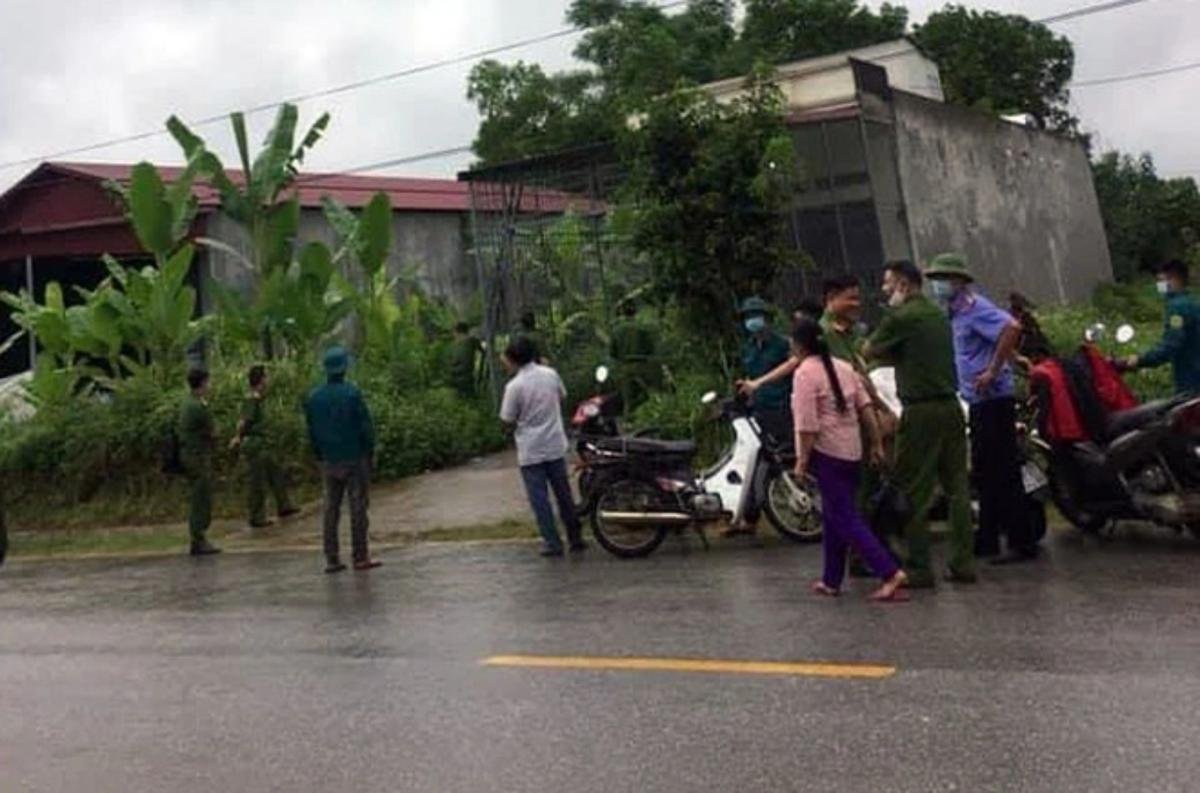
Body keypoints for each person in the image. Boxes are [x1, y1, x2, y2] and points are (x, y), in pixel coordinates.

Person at [863, 260, 975, 589]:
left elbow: (869, 350)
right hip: (951, 406)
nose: (884, 291)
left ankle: (920, 566)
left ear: (903, 285)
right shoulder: (938, 315)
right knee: (957, 488)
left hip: (920, 410)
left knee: (915, 490)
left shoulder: (902, 318)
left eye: (888, 284)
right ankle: (962, 562)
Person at [926, 253, 1038, 564]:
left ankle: (1021, 542)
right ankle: (987, 539)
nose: (937, 285)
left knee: (1002, 472)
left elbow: (1011, 327)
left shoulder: (975, 308)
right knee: (986, 472)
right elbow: (998, 337)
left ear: (959, 281)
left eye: (942, 279)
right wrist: (1012, 359)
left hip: (992, 400)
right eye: (935, 280)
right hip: (979, 401)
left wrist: (994, 368)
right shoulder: (955, 312)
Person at [790, 317, 908, 601]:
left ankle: (889, 571)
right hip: (852, 451)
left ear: (798, 346)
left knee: (845, 517)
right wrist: (877, 443)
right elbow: (866, 408)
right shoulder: (844, 368)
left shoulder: (805, 373)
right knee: (834, 515)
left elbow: (807, 424)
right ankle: (832, 578)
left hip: (826, 453)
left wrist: (801, 460)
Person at [500, 335, 586, 557]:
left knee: (540, 499)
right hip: (555, 444)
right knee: (564, 494)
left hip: (531, 450)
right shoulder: (551, 375)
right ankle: (575, 537)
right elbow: (562, 397)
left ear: (513, 360)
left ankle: (552, 542)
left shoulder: (514, 387)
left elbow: (507, 420)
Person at [305, 345, 381, 574]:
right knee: (358, 508)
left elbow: (311, 431)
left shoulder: (314, 398)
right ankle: (360, 556)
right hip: (354, 458)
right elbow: (365, 428)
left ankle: (331, 557)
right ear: (344, 368)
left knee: (331, 508)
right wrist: (369, 451)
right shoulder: (352, 394)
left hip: (329, 459)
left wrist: (319, 454)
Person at [731, 296, 794, 535]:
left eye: (756, 315)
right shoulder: (748, 347)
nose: (752, 321)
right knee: (752, 462)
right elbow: (748, 377)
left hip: (782, 409)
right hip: (759, 411)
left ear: (767, 318)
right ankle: (749, 516)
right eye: (748, 317)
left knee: (781, 460)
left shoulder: (782, 345)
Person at [230, 365, 299, 529]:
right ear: (261, 379)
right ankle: (257, 516)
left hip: (264, 444)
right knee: (257, 481)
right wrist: (238, 437)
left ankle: (284, 505)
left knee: (276, 472)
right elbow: (243, 422)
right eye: (266, 377)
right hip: (255, 444)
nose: (268, 380)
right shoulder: (251, 399)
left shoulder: (259, 399)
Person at [1120, 259, 1200, 395]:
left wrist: (1140, 360)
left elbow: (1171, 343)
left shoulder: (1177, 309)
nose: (1159, 286)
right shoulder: (1191, 303)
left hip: (1192, 382)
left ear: (1174, 279)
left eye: (1161, 281)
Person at [179, 368, 221, 556]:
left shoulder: (188, 403)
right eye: (208, 382)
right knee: (201, 497)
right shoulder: (198, 407)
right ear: (203, 383)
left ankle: (198, 537)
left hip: (190, 454)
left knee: (199, 495)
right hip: (197, 456)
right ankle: (198, 537)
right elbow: (213, 432)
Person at [609, 299, 660, 412]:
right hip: (643, 366)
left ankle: (629, 422)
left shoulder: (617, 330)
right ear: (635, 312)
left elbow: (612, 353)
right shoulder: (643, 328)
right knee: (647, 398)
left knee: (628, 401)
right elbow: (650, 349)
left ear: (622, 312)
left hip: (625, 367)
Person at [450, 322, 483, 400]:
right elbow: (482, 350)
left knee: (463, 397)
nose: (454, 335)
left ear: (458, 332)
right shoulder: (473, 340)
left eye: (454, 332)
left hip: (460, 373)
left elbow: (455, 359)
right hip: (467, 373)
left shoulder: (461, 343)